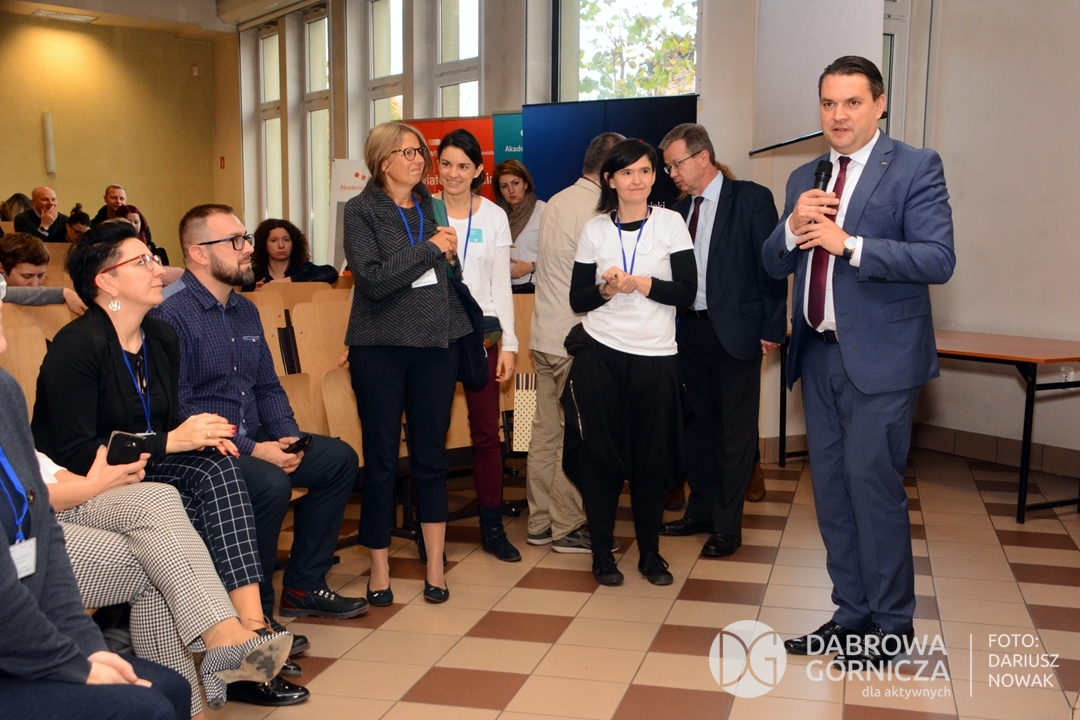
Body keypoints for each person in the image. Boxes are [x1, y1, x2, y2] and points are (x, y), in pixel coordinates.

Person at [30, 220, 309, 706]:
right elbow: (74, 451)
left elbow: (164, 419)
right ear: (106, 281)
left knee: (216, 465)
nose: (158, 269)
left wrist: (195, 434)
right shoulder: (78, 346)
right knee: (178, 506)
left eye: (154, 258)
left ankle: (249, 626)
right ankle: (229, 642)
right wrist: (171, 441)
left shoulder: (160, 337)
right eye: (142, 262)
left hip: (141, 470)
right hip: (85, 482)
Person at [762, 56, 955, 668]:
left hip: (882, 361)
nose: (838, 115)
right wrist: (791, 228)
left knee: (872, 491)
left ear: (880, 104)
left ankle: (891, 627)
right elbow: (772, 262)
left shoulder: (916, 166)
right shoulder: (806, 175)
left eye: (851, 102)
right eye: (828, 103)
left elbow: (937, 258)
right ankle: (851, 615)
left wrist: (851, 245)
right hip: (817, 356)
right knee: (832, 493)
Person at [150, 204, 367, 630]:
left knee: (339, 460)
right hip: (200, 447)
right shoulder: (169, 315)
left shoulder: (245, 310)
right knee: (270, 483)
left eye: (246, 238)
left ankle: (303, 585)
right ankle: (255, 611)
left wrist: (287, 439)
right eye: (235, 241)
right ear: (198, 253)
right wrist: (256, 450)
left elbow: (267, 386)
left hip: (253, 434)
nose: (248, 248)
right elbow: (177, 406)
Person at [0, 294, 191, 720]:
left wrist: (86, 646)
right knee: (144, 708)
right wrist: (70, 663)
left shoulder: (4, 391)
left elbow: (44, 532)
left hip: (21, 633)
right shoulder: (80, 344)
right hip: (13, 644)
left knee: (171, 688)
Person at [38, 450, 292, 716]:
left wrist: (100, 482)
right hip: (22, 534)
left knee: (159, 497)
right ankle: (221, 646)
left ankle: (223, 638)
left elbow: (43, 470)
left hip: (52, 502)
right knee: (159, 558)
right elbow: (19, 499)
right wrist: (92, 487)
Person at [343, 121, 468, 606]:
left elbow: (444, 274)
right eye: (407, 152)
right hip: (380, 348)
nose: (418, 159)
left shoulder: (430, 206)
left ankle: (435, 565)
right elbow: (372, 281)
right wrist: (431, 248)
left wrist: (446, 256)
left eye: (420, 151)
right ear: (383, 161)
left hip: (435, 345)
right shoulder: (360, 210)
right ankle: (379, 567)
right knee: (380, 459)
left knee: (431, 456)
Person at [564, 139, 696, 587]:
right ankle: (602, 553)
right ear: (611, 180)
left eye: (644, 171)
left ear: (654, 176)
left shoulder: (671, 223)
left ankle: (651, 554)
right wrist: (606, 289)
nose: (636, 180)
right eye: (626, 172)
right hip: (601, 355)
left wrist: (639, 283)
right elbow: (578, 298)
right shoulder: (595, 229)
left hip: (655, 358)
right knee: (599, 460)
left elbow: (686, 293)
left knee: (650, 462)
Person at [657, 123, 787, 558]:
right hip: (688, 331)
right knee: (697, 428)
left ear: (703, 157)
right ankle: (701, 512)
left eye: (676, 164)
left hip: (737, 331)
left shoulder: (750, 199)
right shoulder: (677, 212)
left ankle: (728, 527)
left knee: (735, 433)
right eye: (668, 167)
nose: (672, 173)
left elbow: (771, 267)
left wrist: (772, 326)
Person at [527, 131, 624, 554]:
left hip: (542, 334)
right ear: (609, 172)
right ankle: (567, 526)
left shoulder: (555, 201)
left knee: (543, 433)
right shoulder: (598, 211)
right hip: (575, 339)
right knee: (574, 436)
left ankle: (539, 522)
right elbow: (607, 281)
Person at [433, 128, 520, 562]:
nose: (453, 173)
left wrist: (511, 344)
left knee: (487, 434)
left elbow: (501, 284)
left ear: (478, 171)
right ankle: (430, 531)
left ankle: (492, 525)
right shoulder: (423, 211)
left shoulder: (494, 216)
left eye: (463, 166)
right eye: (446, 164)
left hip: (482, 335)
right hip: (433, 336)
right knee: (431, 434)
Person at [243, 218, 338, 291]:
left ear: (294, 244)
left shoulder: (303, 269)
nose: (281, 245)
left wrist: (289, 280)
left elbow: (330, 273)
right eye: (274, 240)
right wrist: (255, 296)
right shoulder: (254, 275)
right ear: (264, 245)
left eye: (286, 240)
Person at [494, 160, 545, 293]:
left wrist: (531, 267)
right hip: (504, 288)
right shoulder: (497, 215)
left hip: (535, 287)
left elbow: (559, 256)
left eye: (515, 183)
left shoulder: (543, 210)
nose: (511, 190)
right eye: (504, 186)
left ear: (526, 184)